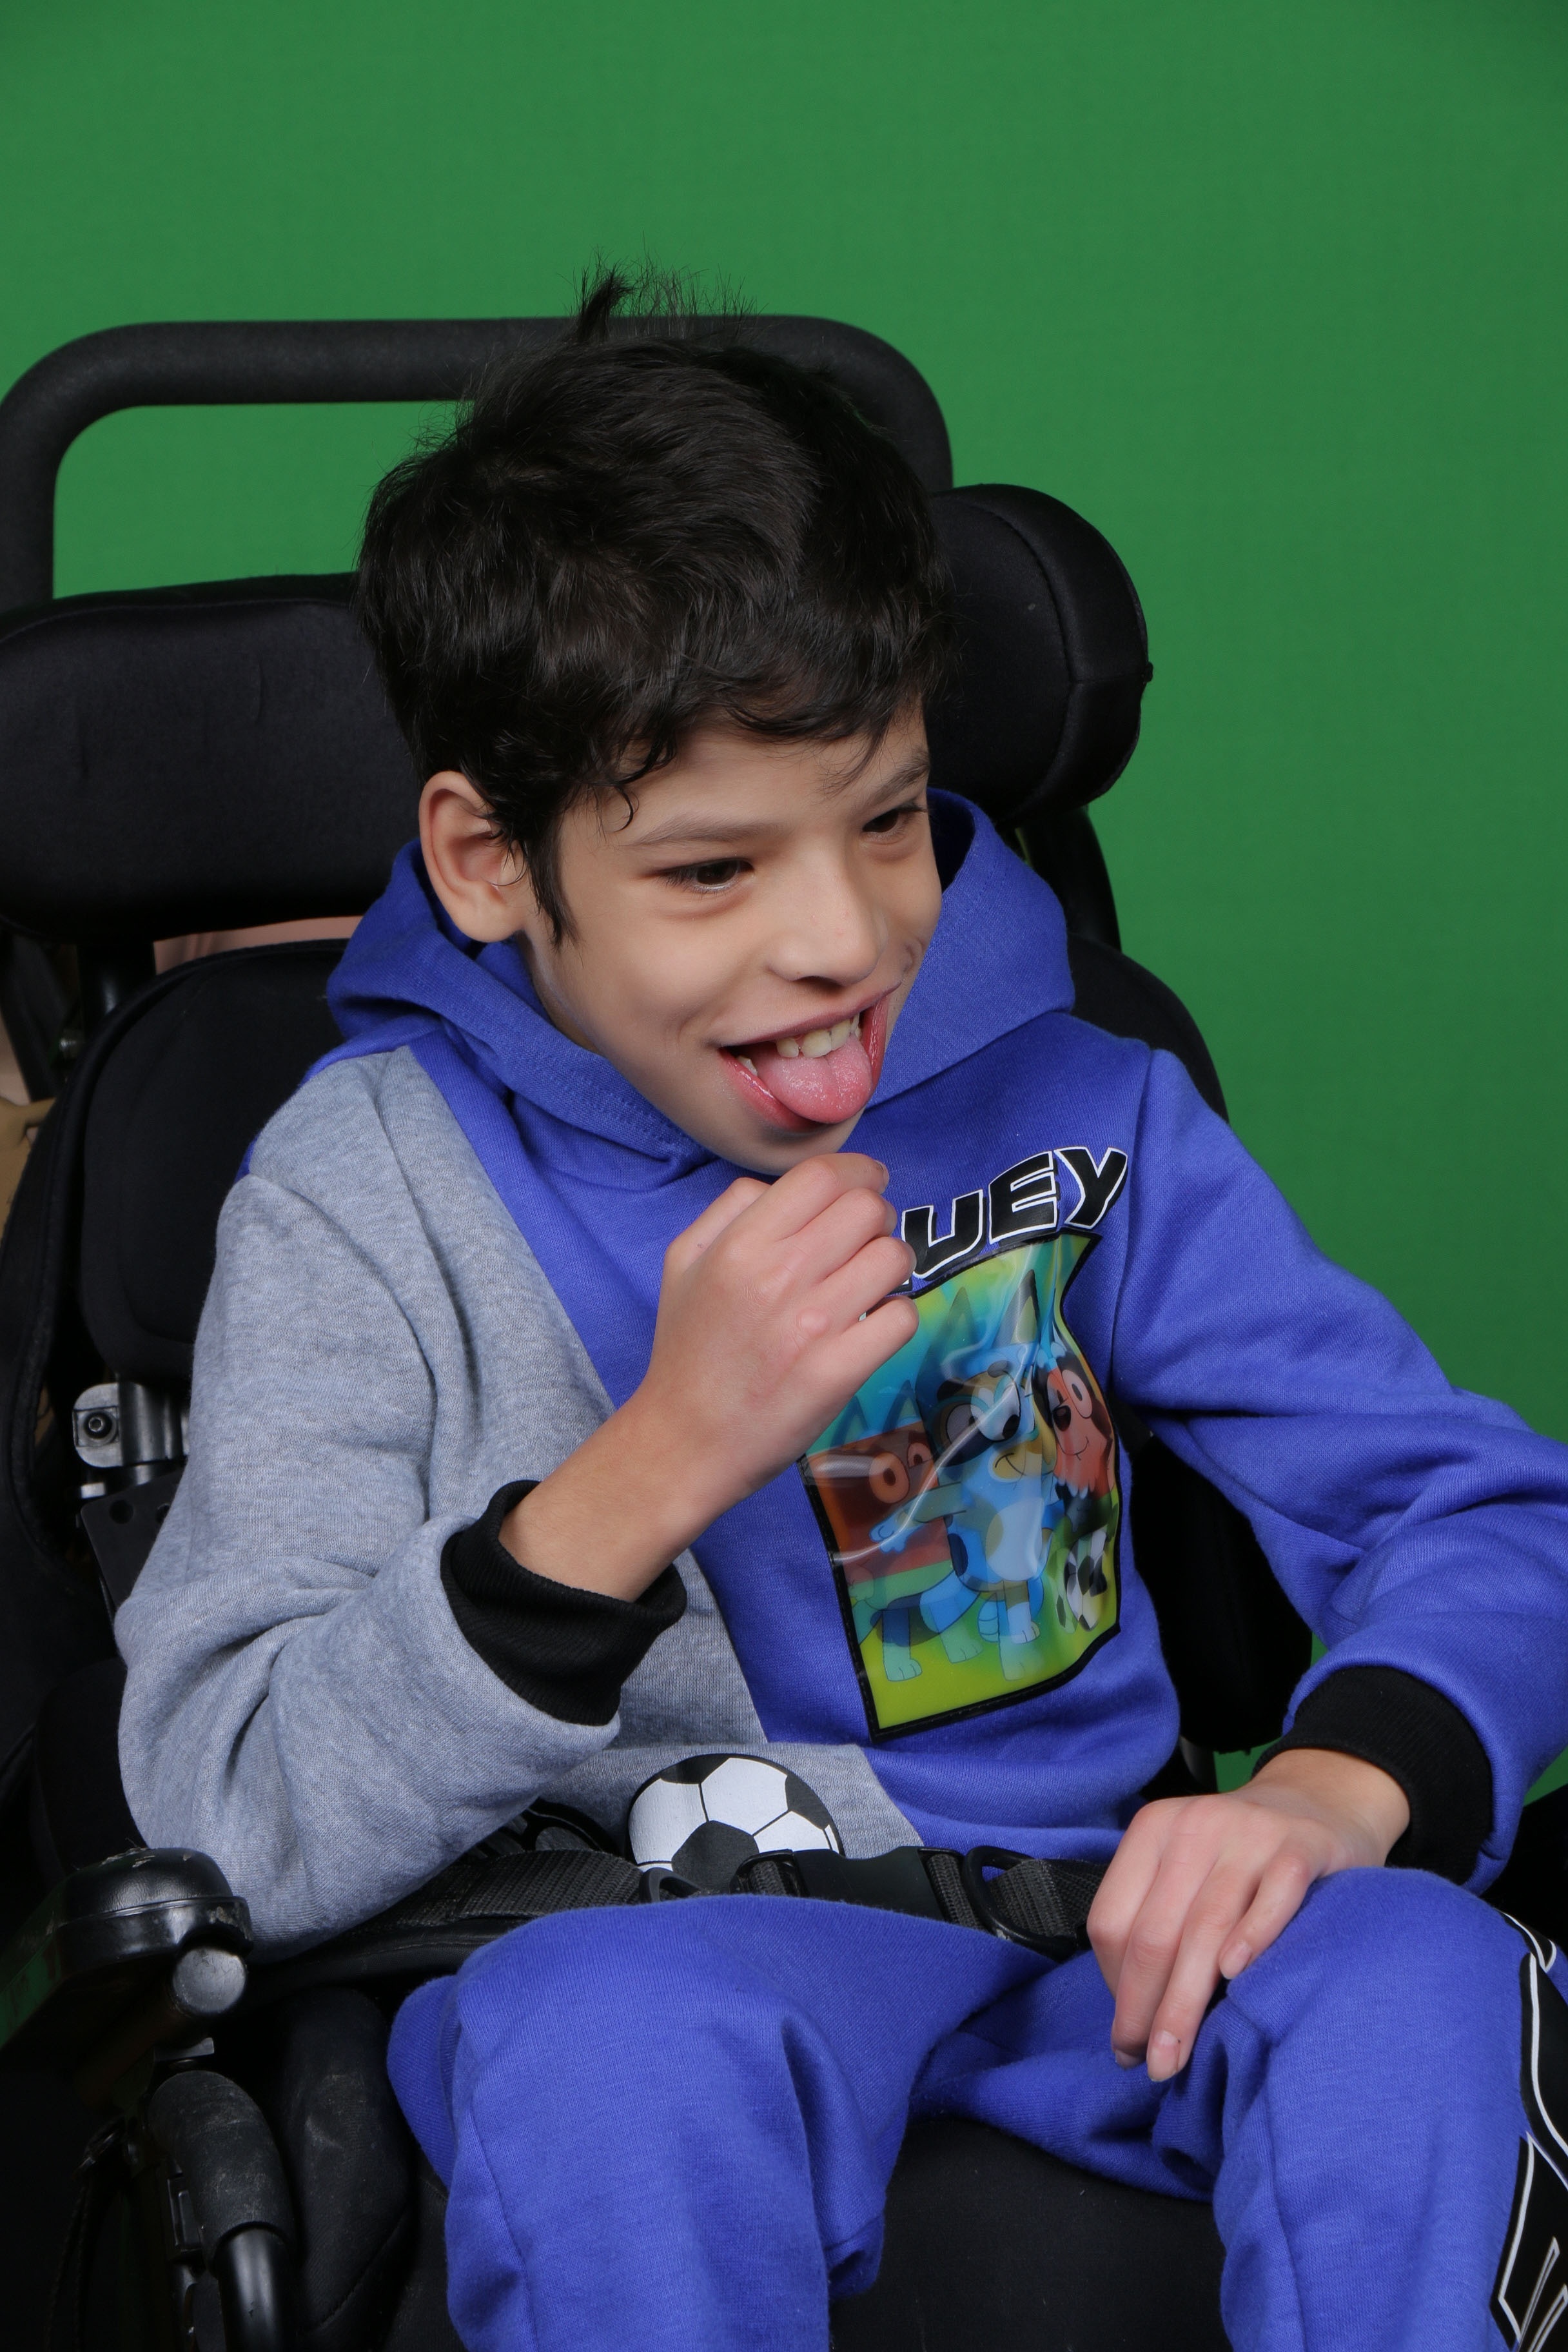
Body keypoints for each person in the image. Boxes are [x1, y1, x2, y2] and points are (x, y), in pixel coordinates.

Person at [116, 273, 1568, 2352]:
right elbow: (225, 1809)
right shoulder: (365, 1195)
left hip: (1114, 1935)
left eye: (887, 819)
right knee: (606, 2044)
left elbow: (1483, 1514)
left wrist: (1331, 1788)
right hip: (665, 1953)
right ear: (489, 862)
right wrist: (647, 1471)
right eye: (713, 871)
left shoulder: (1080, 1106)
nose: (844, 940)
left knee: (1422, 1971)